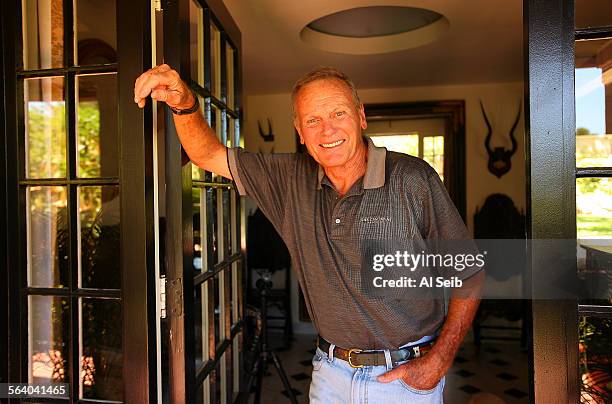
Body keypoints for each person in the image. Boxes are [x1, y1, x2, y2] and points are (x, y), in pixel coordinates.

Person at [134, 64, 484, 403]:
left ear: (360, 116)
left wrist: (439, 359)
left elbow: (469, 270)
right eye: (312, 121)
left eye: (338, 114)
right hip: (330, 375)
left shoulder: (413, 179)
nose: (327, 131)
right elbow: (208, 154)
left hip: (404, 378)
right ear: (300, 131)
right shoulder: (288, 179)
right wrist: (183, 104)